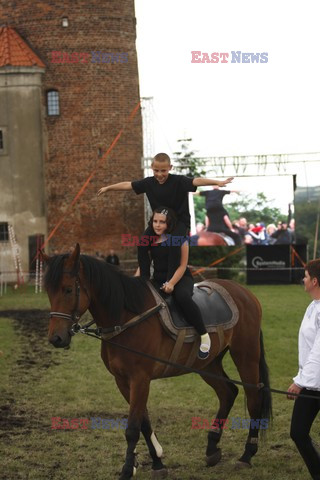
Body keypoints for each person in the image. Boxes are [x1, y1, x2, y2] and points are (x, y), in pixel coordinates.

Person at [98, 153, 233, 273]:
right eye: (156, 170)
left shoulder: (178, 181)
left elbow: (195, 181)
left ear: (170, 167)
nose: (160, 174)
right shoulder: (149, 183)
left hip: (180, 221)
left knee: (174, 244)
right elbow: (128, 185)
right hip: (159, 221)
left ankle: (171, 279)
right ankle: (144, 280)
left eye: (163, 170)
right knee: (142, 244)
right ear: (152, 167)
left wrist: (217, 182)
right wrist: (108, 188)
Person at [137, 206, 211, 360]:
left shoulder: (180, 239)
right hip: (158, 279)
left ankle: (204, 335)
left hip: (180, 278)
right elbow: (143, 263)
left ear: (169, 223)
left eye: (162, 222)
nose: (157, 225)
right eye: (155, 221)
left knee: (182, 297)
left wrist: (171, 283)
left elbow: (183, 265)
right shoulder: (150, 240)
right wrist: (134, 281)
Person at [287, 259, 320, 479]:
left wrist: (300, 382)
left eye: (306, 276)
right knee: (298, 432)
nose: (303, 279)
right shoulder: (312, 306)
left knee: (298, 432)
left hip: (312, 383)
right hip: (312, 382)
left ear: (315, 281)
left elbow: (319, 352)